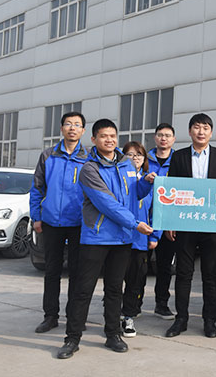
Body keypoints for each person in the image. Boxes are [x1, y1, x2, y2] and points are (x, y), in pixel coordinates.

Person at [57, 119, 154, 359]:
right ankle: (72, 338)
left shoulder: (126, 163)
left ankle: (113, 334)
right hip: (97, 238)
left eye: (112, 136)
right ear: (94, 139)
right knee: (83, 290)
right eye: (103, 136)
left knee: (114, 289)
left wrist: (145, 183)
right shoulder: (89, 169)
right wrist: (134, 223)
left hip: (122, 239)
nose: (109, 140)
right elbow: (106, 203)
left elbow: (133, 194)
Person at [164, 113, 216, 339]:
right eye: (196, 127)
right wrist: (170, 221)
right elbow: (172, 190)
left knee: (210, 274)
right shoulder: (179, 157)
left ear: (211, 133)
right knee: (183, 273)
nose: (201, 132)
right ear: (190, 131)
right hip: (185, 222)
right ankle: (181, 319)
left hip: (211, 224)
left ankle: (209, 320)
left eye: (205, 128)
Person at [30, 111, 88, 334]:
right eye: (68, 124)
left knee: (77, 272)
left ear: (83, 130)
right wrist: (36, 216)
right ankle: (50, 316)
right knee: (52, 271)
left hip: (79, 223)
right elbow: (37, 188)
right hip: (52, 221)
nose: (72, 128)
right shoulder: (48, 155)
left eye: (77, 125)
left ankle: (75, 317)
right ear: (62, 128)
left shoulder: (89, 157)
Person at [121, 142, 160, 338]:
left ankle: (128, 316)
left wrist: (155, 235)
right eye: (130, 154)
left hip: (140, 239)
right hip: (119, 238)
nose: (135, 158)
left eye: (139, 155)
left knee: (136, 280)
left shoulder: (150, 181)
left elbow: (157, 210)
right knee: (115, 279)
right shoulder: (119, 179)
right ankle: (113, 313)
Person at [148, 123, 177, 320]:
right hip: (143, 219)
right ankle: (133, 303)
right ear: (155, 138)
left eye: (167, 135)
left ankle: (161, 303)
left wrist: (173, 222)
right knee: (138, 266)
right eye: (160, 135)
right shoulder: (144, 159)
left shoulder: (179, 161)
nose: (163, 138)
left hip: (167, 221)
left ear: (173, 139)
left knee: (164, 266)